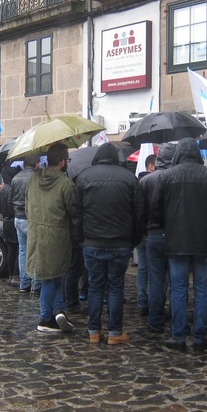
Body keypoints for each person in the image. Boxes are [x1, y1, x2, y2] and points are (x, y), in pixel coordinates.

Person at [156, 138, 207, 351]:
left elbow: (154, 207)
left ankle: (178, 335)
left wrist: (167, 223)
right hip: (204, 239)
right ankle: (200, 336)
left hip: (177, 241)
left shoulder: (167, 176)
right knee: (202, 289)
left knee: (179, 288)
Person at [73, 142, 145, 344]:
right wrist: (133, 240)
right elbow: (139, 214)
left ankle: (94, 331)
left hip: (92, 242)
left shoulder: (84, 178)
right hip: (120, 243)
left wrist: (81, 239)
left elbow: (76, 213)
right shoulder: (129, 179)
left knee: (95, 287)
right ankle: (114, 333)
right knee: (115, 287)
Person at [26, 143, 75, 334]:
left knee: (55, 274)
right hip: (57, 235)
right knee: (51, 278)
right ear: (62, 161)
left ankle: (58, 310)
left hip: (36, 233)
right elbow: (73, 210)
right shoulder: (65, 184)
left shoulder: (33, 180)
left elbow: (27, 205)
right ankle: (45, 318)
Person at [138, 142, 176, 334]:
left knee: (156, 280)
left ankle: (155, 320)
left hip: (153, 234)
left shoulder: (146, 180)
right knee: (176, 280)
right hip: (175, 235)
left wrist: (142, 230)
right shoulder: (177, 178)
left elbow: (140, 210)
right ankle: (176, 319)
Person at [11, 153, 41, 293]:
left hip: (18, 217)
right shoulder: (35, 177)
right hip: (30, 217)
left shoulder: (16, 178)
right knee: (34, 251)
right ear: (35, 163)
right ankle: (35, 283)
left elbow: (10, 198)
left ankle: (24, 283)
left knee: (23, 251)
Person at [135, 153, 157, 316]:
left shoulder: (138, 183)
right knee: (156, 269)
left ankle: (142, 302)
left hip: (143, 231)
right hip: (153, 231)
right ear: (150, 166)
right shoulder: (159, 181)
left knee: (143, 268)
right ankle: (152, 303)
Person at [0, 165, 21, 287]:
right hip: (11, 220)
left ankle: (11, 274)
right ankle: (15, 275)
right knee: (15, 249)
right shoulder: (10, 188)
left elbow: (0, 209)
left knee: (10, 249)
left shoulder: (2, 190)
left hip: (6, 221)